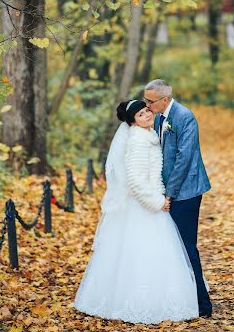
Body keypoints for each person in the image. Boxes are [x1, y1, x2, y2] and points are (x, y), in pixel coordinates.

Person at [73, 99, 199, 324]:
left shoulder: (148, 134)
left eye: (146, 110)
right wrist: (157, 202)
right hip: (144, 206)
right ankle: (138, 302)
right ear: (133, 121)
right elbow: (135, 182)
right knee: (141, 251)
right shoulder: (138, 141)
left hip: (153, 200)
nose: (147, 115)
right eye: (140, 114)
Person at [143, 79, 212, 318]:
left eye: (150, 101)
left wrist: (169, 194)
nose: (147, 105)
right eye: (146, 100)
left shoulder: (184, 117)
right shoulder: (160, 117)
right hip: (170, 190)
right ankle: (182, 297)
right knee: (173, 245)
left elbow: (183, 160)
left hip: (187, 190)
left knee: (186, 246)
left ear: (164, 99)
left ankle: (203, 305)